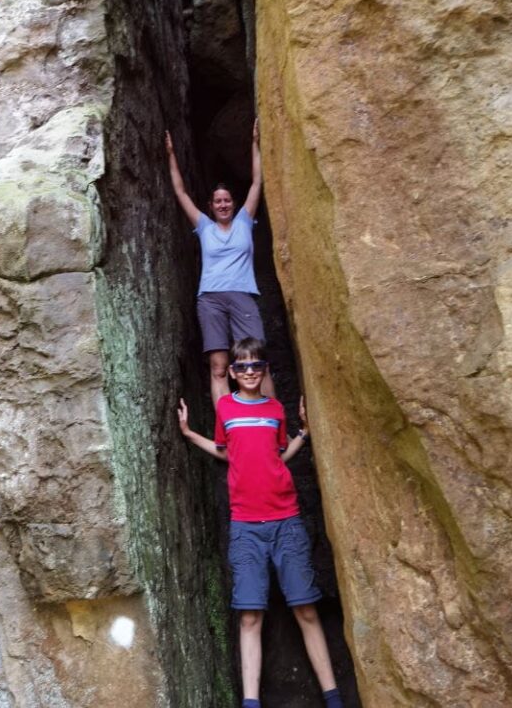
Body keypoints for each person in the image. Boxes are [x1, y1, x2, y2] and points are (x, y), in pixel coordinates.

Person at [177, 337, 344, 708]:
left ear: (264, 370)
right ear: (233, 373)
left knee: (305, 609)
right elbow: (226, 453)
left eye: (256, 366)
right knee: (250, 616)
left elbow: (278, 456)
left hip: (286, 519)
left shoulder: (276, 408)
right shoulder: (226, 409)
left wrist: (303, 434)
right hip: (246, 525)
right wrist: (189, 435)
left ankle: (333, 698)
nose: (249, 372)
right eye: (242, 367)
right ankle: (250, 703)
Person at [165, 121, 274, 407]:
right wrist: (171, 156)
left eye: (227, 200)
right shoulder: (204, 227)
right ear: (210, 206)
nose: (223, 204)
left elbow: (257, 182)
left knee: (257, 362)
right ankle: (228, 428)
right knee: (218, 367)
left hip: (241, 296)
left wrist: (255, 143)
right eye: (218, 201)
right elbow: (180, 194)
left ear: (234, 204)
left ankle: (273, 427)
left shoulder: (244, 222)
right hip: (210, 299)